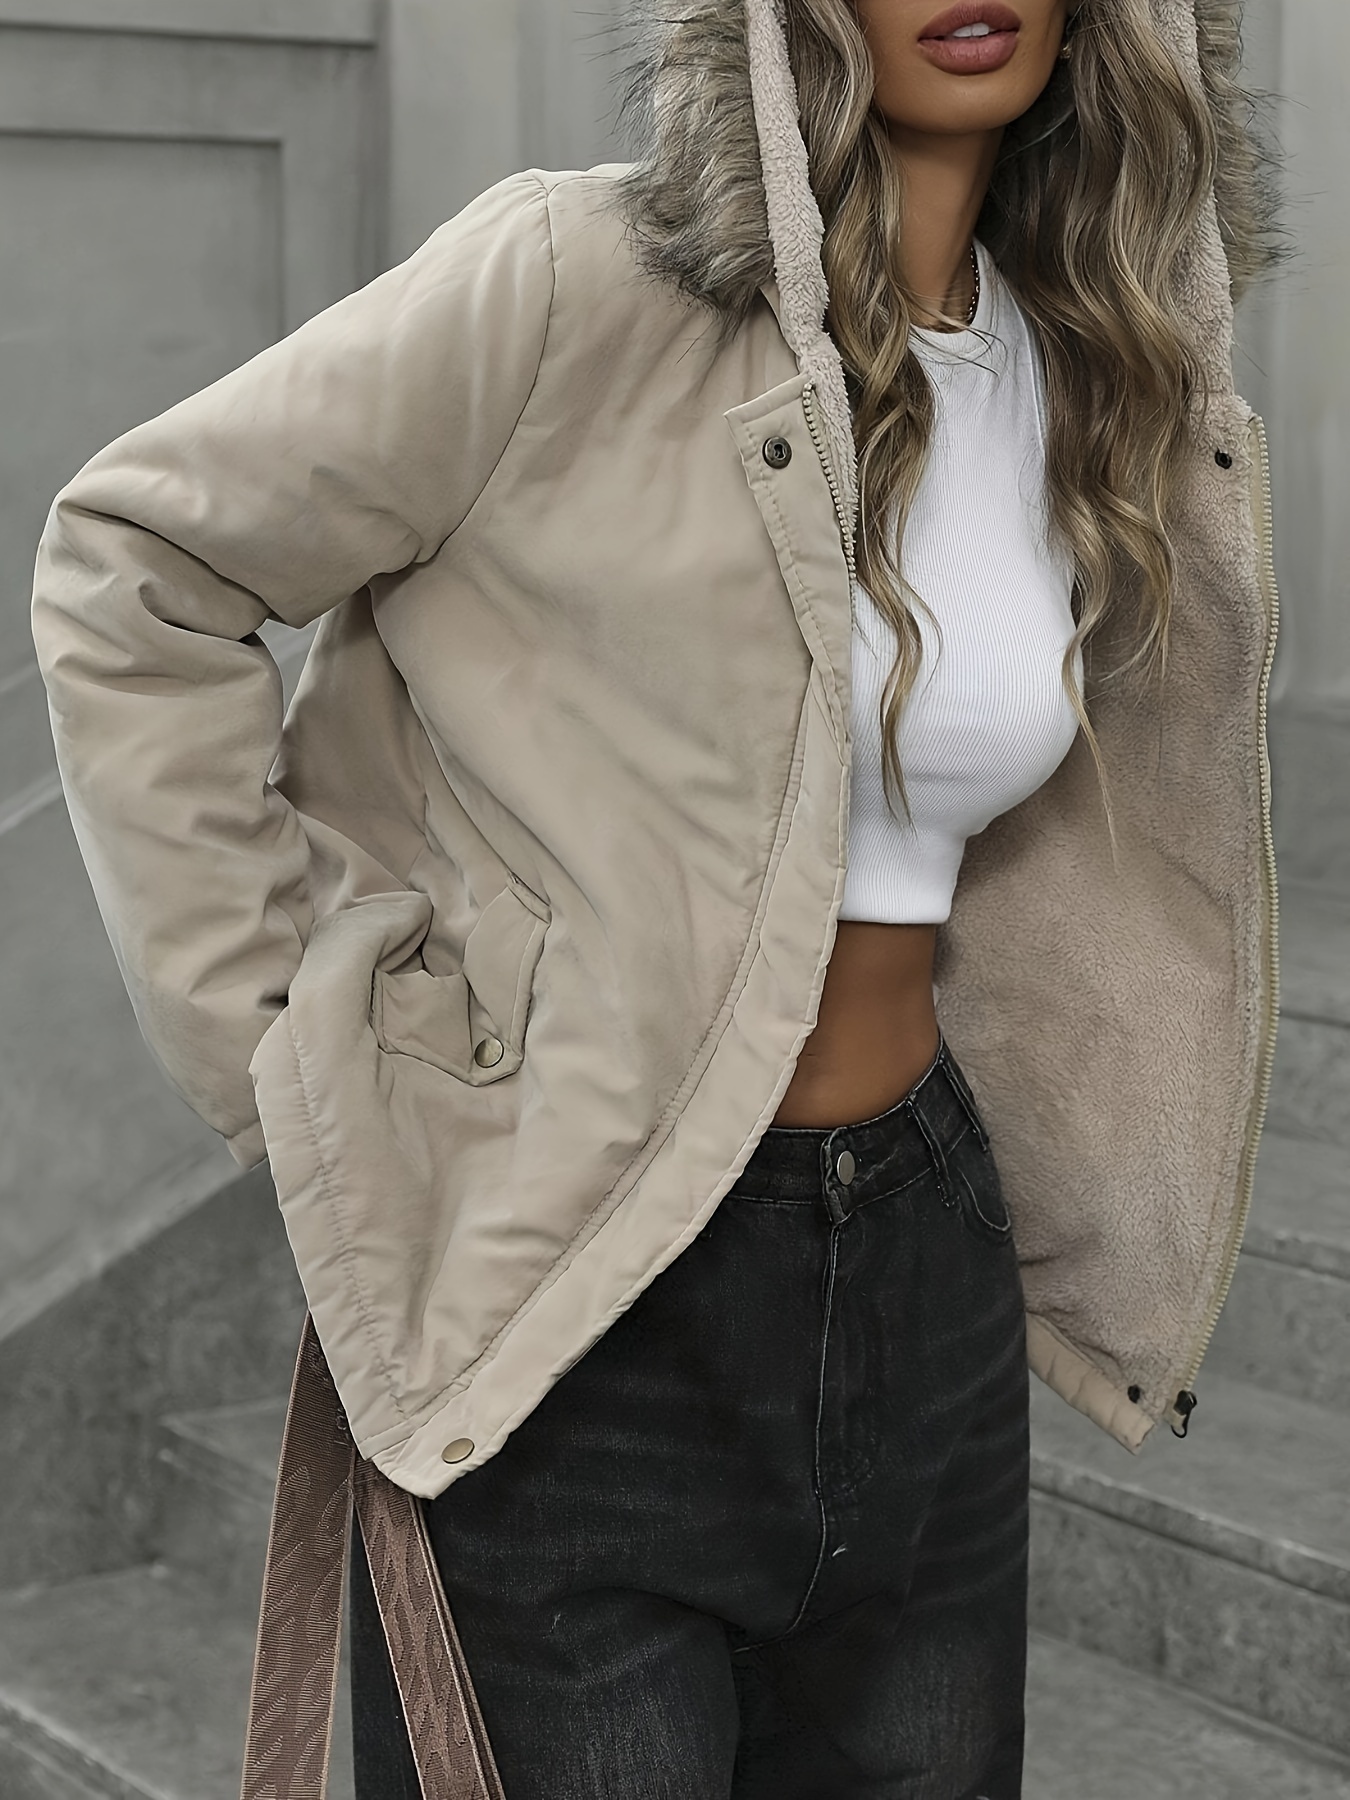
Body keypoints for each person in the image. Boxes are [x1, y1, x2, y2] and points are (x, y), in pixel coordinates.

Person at [30, 0, 1281, 1794]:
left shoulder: (1095, 375)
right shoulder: (572, 279)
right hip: (579, 1268)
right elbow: (137, 561)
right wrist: (291, 1057)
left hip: (920, 1251)